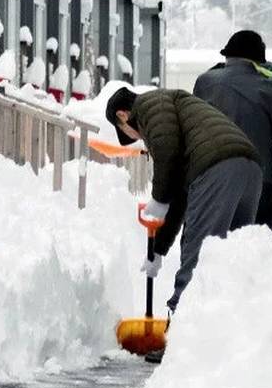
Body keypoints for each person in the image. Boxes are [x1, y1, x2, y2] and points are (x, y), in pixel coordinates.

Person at [106, 87, 262, 318]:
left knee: (198, 255)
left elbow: (167, 152)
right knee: (232, 258)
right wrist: (158, 249)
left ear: (122, 115)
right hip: (249, 170)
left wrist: (159, 199)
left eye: (128, 132)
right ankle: (229, 335)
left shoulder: (150, 105)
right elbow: (179, 194)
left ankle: (180, 333)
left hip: (216, 169)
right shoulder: (169, 107)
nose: (137, 138)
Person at [193, 30, 272, 235]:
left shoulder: (204, 83)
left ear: (227, 56)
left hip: (215, 181)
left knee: (213, 253)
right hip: (262, 184)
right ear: (258, 62)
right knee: (260, 253)